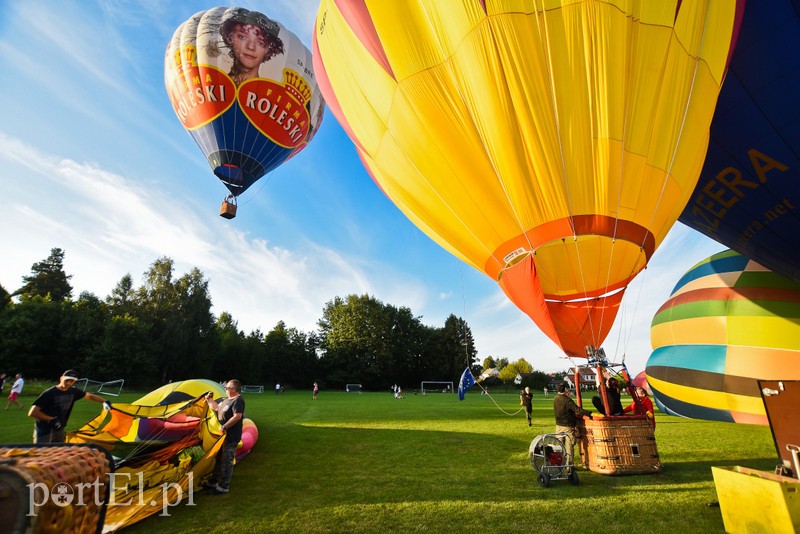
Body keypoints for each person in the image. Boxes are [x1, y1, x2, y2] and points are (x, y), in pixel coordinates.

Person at [28, 370, 109, 443]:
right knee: (42, 452)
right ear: (61, 378)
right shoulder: (49, 393)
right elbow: (33, 412)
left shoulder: (73, 391)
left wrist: (104, 401)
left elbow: (89, 396)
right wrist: (51, 419)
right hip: (44, 430)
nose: (69, 383)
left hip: (59, 428)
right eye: (67, 380)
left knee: (59, 452)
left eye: (72, 381)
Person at [219, 8, 285, 86]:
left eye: (261, 43)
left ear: (269, 50)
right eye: (242, 37)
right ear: (230, 38)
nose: (250, 47)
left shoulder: (270, 92)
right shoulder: (212, 79)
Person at [205, 379, 245, 495]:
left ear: (234, 389)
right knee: (219, 459)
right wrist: (209, 400)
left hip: (231, 437)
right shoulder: (227, 400)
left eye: (227, 388)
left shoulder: (238, 400)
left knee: (227, 461)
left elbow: (237, 416)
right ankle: (214, 481)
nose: (225, 389)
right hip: (223, 436)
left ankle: (223, 486)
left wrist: (224, 427)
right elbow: (217, 408)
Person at [553, 382, 592, 450]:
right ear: (565, 389)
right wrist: (589, 413)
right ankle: (569, 461)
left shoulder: (555, 398)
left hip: (558, 425)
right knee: (569, 446)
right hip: (567, 426)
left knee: (559, 446)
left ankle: (559, 460)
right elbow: (577, 409)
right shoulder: (567, 400)